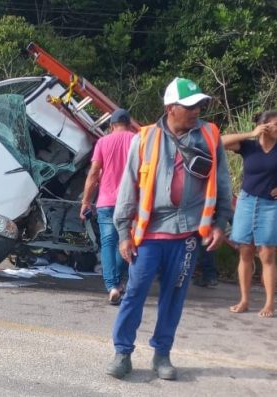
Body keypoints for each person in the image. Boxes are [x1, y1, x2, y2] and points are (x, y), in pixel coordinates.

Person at [106, 77, 233, 380]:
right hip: (149, 236)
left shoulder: (209, 136)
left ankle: (162, 354)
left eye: (200, 105)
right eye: (190, 106)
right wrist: (123, 234)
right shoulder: (144, 138)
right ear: (171, 107)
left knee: (174, 297)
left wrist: (220, 222)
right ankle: (122, 352)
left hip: (187, 235)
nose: (197, 111)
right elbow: (128, 188)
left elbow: (223, 182)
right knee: (134, 293)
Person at [222, 110, 277, 318]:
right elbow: (220, 142)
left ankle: (269, 303)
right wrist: (251, 133)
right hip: (246, 202)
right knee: (245, 251)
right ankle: (244, 300)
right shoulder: (249, 146)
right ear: (265, 126)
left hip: (270, 205)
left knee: (267, 254)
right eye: (275, 124)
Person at [80, 109, 136, 305]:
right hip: (130, 202)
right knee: (126, 240)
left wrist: (86, 201)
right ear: (129, 124)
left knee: (108, 243)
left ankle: (111, 286)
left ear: (111, 126)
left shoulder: (103, 142)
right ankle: (120, 283)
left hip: (106, 201)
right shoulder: (137, 140)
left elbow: (94, 173)